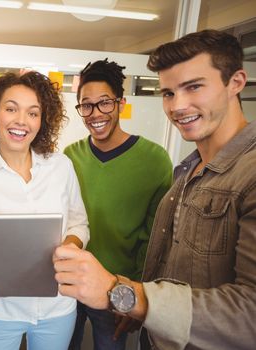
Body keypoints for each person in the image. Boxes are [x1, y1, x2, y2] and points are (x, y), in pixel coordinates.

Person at [54, 29, 256, 350]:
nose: (178, 105)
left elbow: (249, 313)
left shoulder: (244, 174)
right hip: (140, 320)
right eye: (168, 93)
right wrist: (140, 299)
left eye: (194, 87)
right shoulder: (189, 170)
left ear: (236, 82)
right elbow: (164, 255)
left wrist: (128, 294)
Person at [0, 71, 90, 350]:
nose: (21, 121)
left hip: (58, 304)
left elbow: (79, 223)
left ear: (42, 121)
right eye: (11, 109)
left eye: (33, 113)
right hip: (0, 308)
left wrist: (69, 247)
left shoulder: (61, 167)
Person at [64, 59, 172, 350]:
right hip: (70, 286)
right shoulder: (69, 157)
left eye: (104, 103)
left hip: (117, 289)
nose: (95, 114)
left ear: (121, 103)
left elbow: (156, 239)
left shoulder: (155, 160)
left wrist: (137, 296)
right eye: (86, 105)